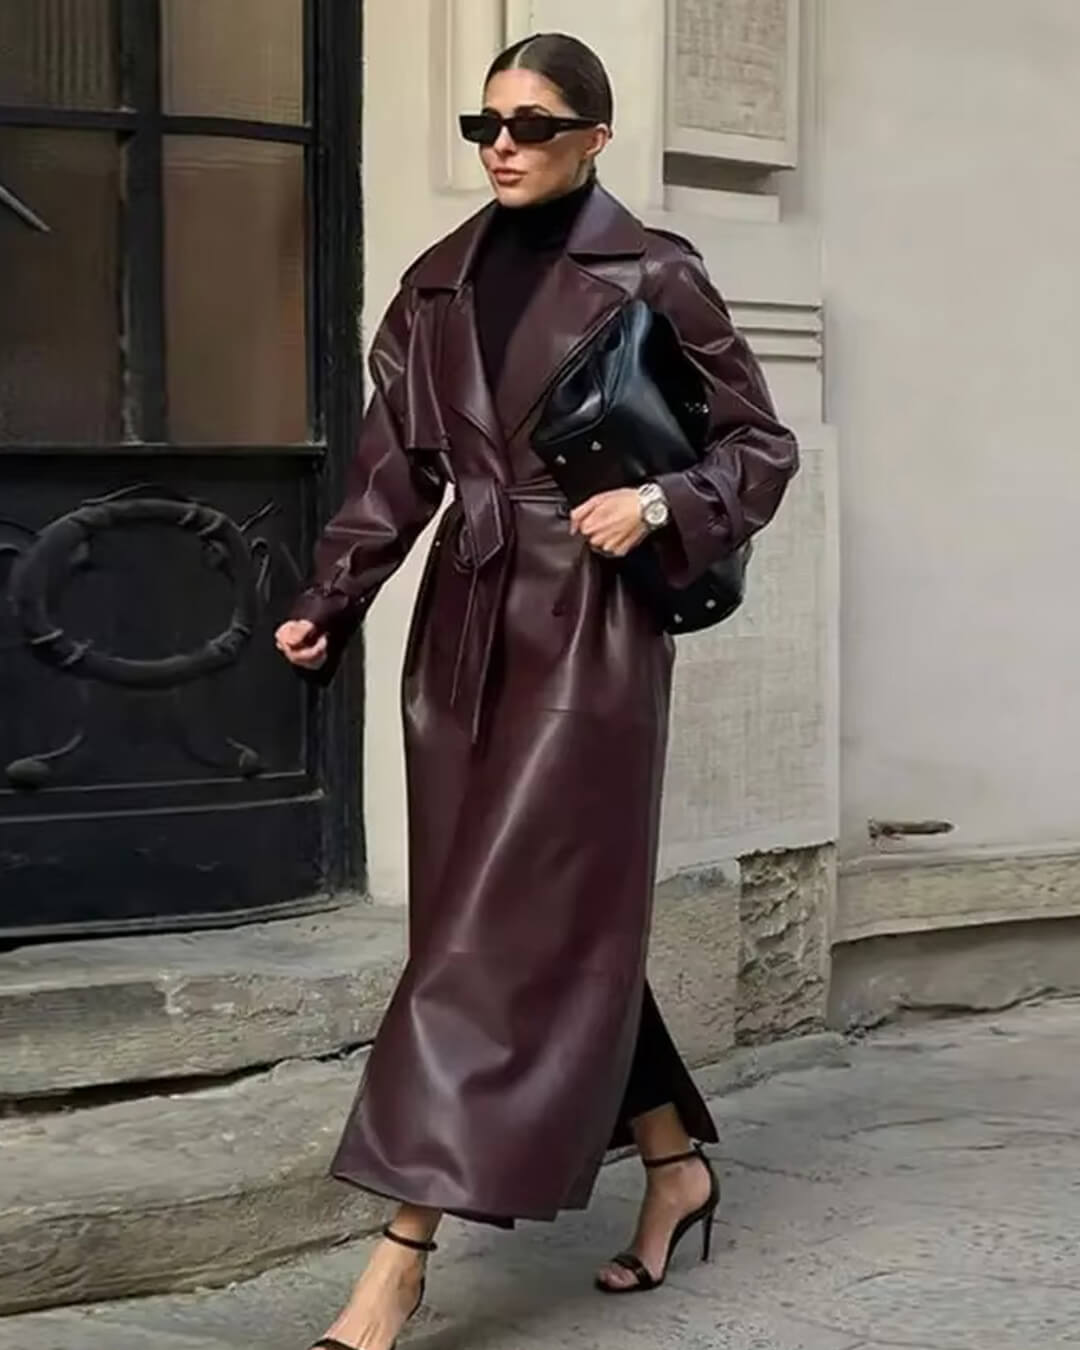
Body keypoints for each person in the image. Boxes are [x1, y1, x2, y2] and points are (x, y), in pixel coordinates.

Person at [275, 31, 797, 1350]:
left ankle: (398, 1259)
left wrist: (662, 501)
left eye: (534, 124)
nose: (502, 145)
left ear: (595, 138)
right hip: (462, 633)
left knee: (486, 940)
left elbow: (760, 444)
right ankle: (674, 1168)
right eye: (485, 124)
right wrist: (329, 597)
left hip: (591, 634)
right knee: (513, 921)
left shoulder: (654, 272)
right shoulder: (435, 283)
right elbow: (395, 470)